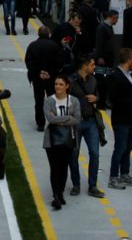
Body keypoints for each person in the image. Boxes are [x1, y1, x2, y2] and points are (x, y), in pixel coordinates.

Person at [107, 48, 132, 190]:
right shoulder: (115, 76)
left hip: (131, 118)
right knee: (120, 148)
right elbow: (114, 99)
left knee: (129, 147)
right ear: (129, 60)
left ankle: (124, 173)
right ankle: (113, 177)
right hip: (120, 119)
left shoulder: (130, 75)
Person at [68, 55, 105, 198]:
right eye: (91, 64)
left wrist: (96, 98)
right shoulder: (70, 82)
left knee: (95, 154)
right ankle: (76, 185)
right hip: (75, 123)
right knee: (73, 155)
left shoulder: (93, 80)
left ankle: (93, 186)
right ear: (84, 65)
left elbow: (98, 96)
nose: (94, 67)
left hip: (90, 122)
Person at [43, 74, 81, 210]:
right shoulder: (48, 101)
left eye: (60, 84)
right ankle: (56, 196)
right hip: (51, 140)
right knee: (54, 168)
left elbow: (77, 119)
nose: (57, 86)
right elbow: (50, 119)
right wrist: (67, 118)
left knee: (64, 167)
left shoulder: (74, 101)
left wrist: (59, 119)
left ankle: (60, 192)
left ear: (67, 86)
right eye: (56, 84)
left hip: (68, 139)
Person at [25, 27, 63, 132]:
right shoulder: (55, 46)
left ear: (38, 34)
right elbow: (59, 62)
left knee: (39, 101)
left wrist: (39, 73)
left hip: (37, 78)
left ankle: (40, 124)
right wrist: (50, 73)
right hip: (51, 78)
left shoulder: (32, 46)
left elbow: (29, 62)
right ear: (49, 34)